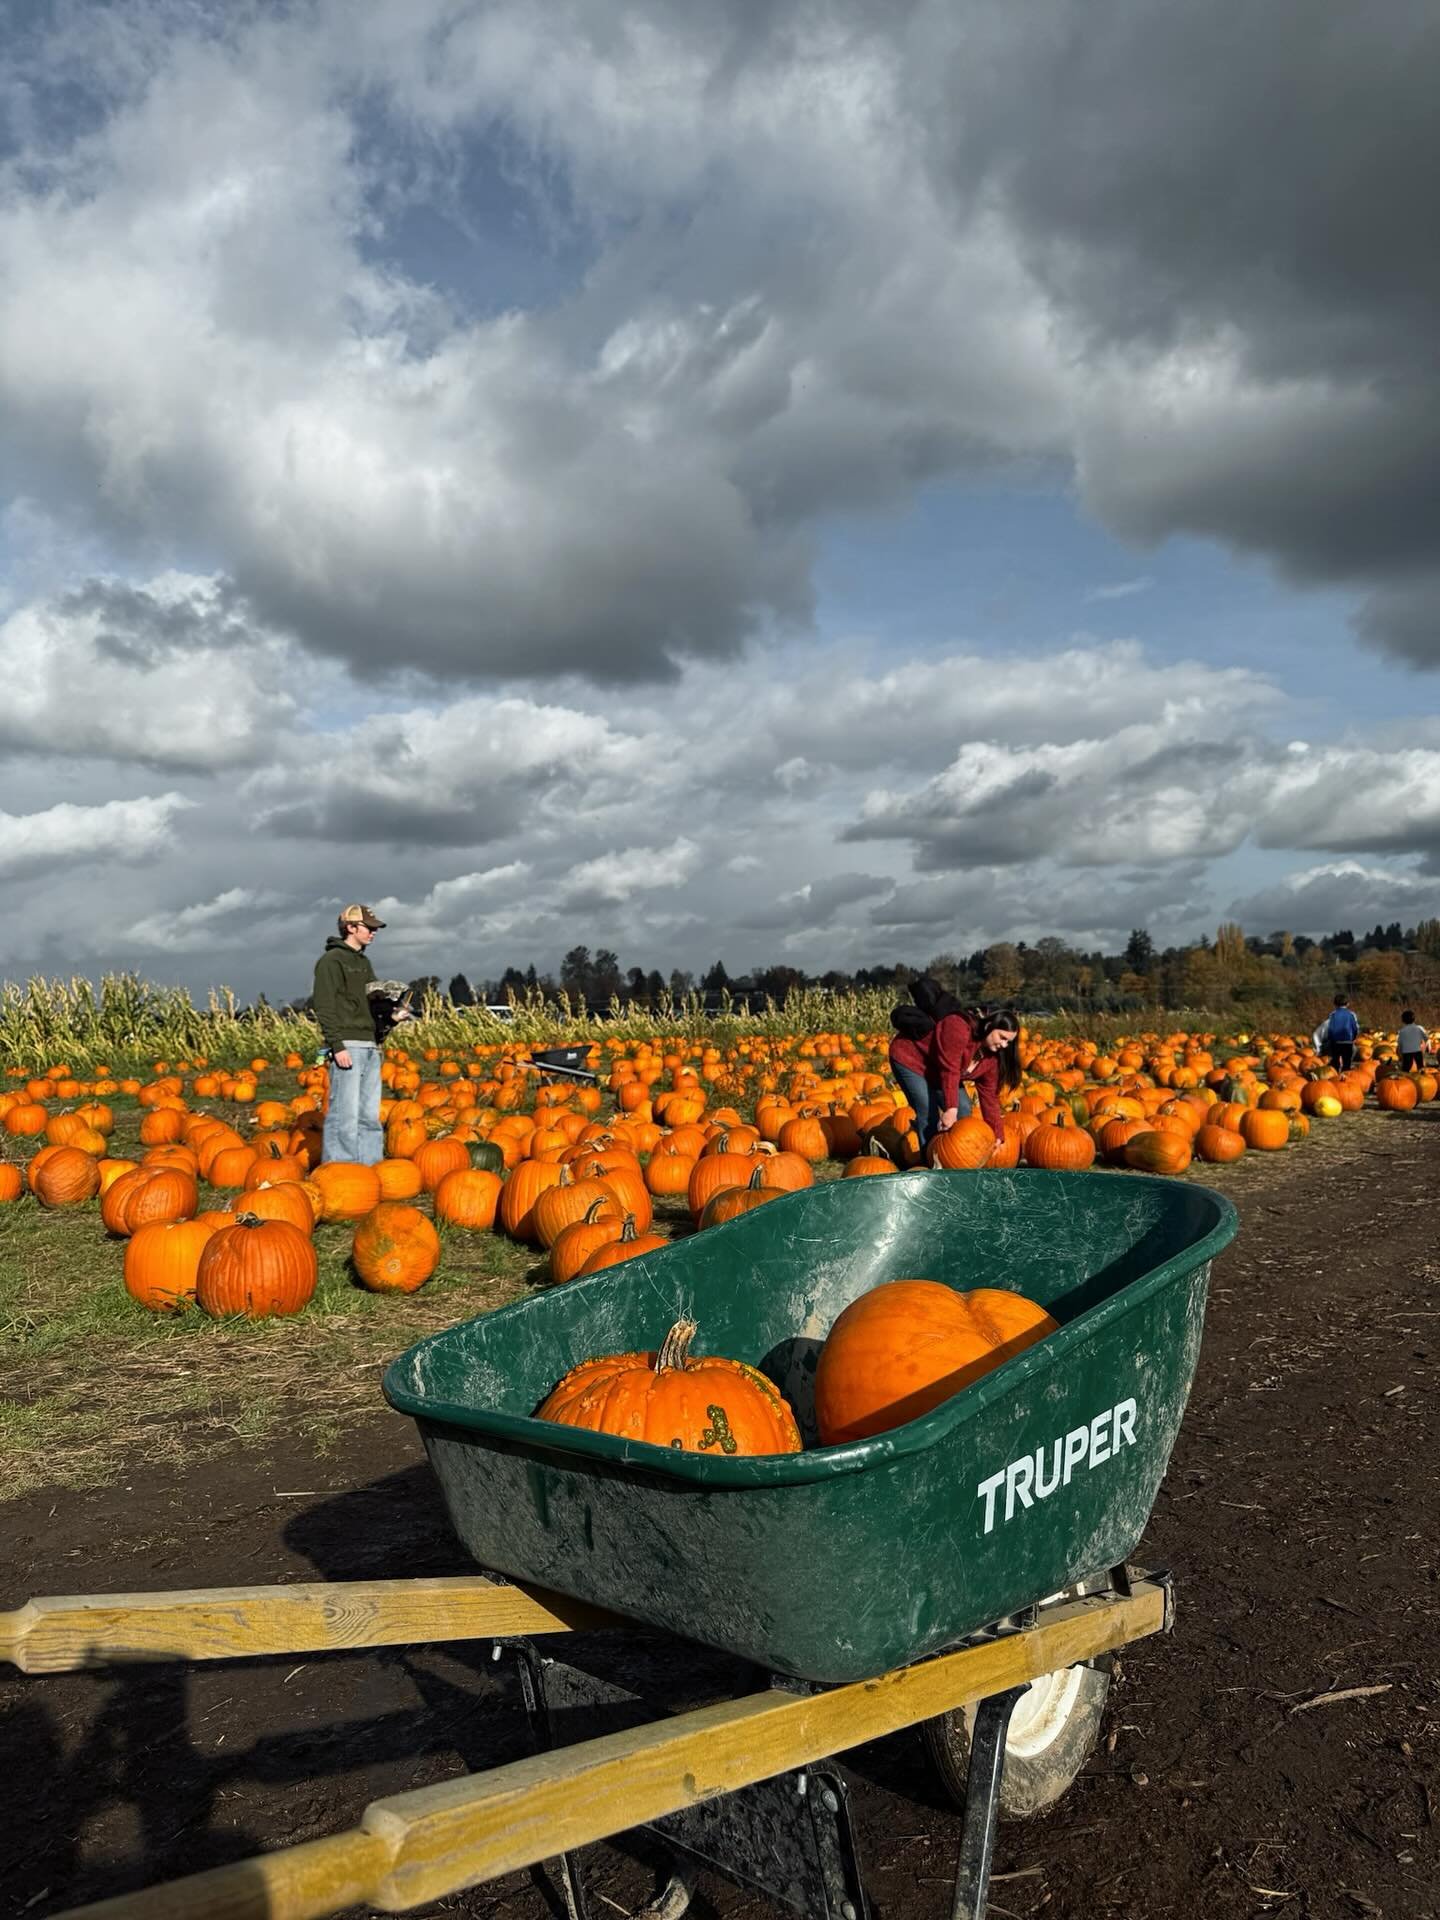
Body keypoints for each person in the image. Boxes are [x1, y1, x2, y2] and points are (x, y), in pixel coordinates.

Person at [312, 904, 407, 1165]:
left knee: (368, 1115)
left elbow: (371, 1007)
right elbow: (324, 1005)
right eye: (369, 928)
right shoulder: (331, 962)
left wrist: (391, 1016)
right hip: (348, 1046)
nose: (374, 933)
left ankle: (369, 1166)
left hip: (369, 1045)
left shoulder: (364, 962)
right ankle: (340, 1170)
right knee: (345, 1114)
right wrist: (337, 1045)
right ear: (351, 928)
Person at [1324, 993, 1359, 1075]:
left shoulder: (1332, 1015)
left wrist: (1330, 1039)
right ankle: (1345, 1077)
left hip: (1335, 1042)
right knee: (1347, 1062)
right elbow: (1355, 1028)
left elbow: (1330, 1028)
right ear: (1348, 1004)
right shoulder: (1351, 1014)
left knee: (1335, 1060)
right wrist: (1353, 1038)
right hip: (1347, 1042)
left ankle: (1335, 1076)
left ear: (1335, 1004)